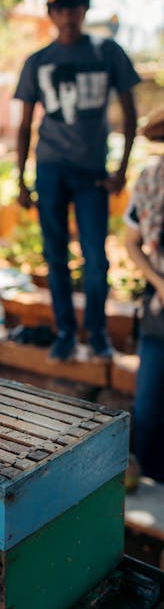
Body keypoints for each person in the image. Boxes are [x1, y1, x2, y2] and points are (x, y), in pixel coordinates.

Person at [14, 0, 140, 363]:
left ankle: (98, 334)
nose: (69, 15)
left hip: (92, 173)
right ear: (50, 12)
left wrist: (121, 170)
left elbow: (131, 113)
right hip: (50, 169)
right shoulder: (38, 62)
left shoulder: (108, 53)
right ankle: (65, 333)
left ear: (86, 8)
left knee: (95, 257)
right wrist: (20, 178)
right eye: (61, 7)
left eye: (76, 6)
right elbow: (24, 125)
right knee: (55, 256)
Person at [124, 107, 164, 483]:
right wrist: (159, 281)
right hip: (159, 309)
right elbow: (132, 242)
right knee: (148, 407)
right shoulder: (151, 181)